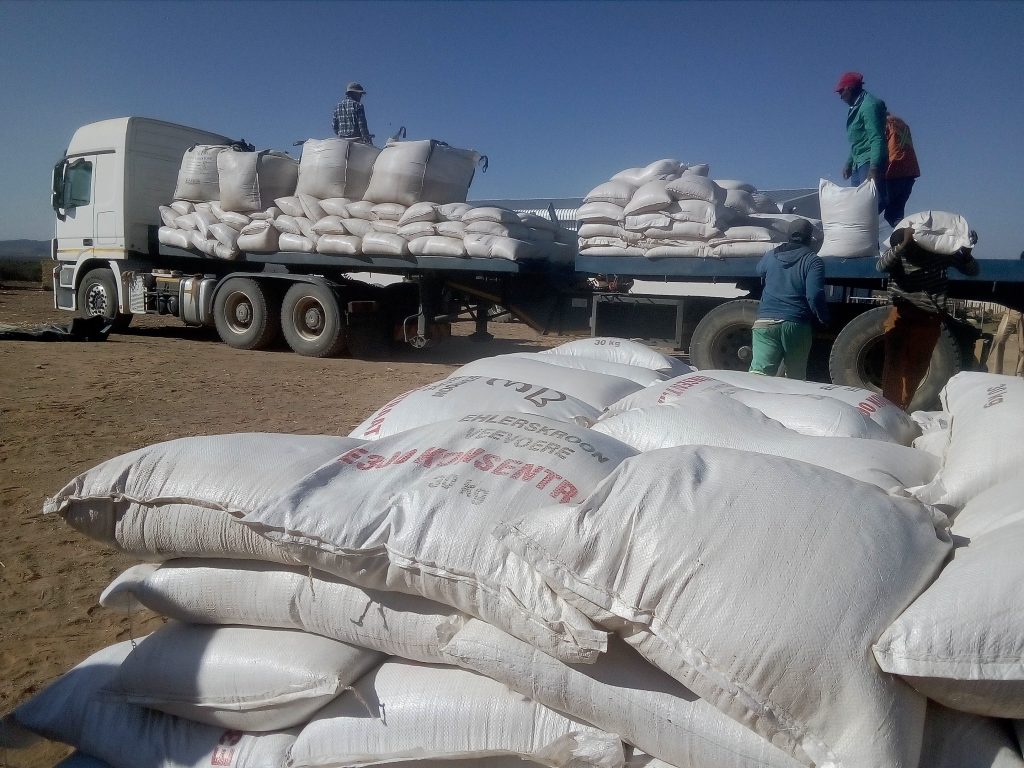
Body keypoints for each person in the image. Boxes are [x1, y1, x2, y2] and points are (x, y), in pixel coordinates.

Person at [876, 226, 980, 410]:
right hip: (901, 312)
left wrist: (966, 253)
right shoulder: (898, 253)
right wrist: (903, 244)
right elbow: (880, 266)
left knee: (918, 364)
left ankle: (901, 407)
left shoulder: (938, 253)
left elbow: (973, 271)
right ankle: (891, 407)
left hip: (929, 316)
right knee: (894, 361)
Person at [749, 218, 830, 380]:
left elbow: (759, 270)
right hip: (796, 324)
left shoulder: (771, 255)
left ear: (788, 235)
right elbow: (814, 295)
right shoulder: (813, 260)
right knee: (795, 378)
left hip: (765, 323)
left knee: (759, 375)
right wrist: (824, 318)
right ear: (810, 238)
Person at [835, 71, 888, 213]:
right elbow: (858, 142)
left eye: (841, 91)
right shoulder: (856, 108)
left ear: (849, 88)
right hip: (858, 163)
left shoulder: (868, 106)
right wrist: (849, 163)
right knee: (858, 204)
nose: (840, 96)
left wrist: (874, 167)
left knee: (870, 203)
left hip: (868, 160)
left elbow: (876, 137)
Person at [884, 112, 921, 227]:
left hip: (894, 170)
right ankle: (909, 234)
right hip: (910, 172)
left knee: (874, 208)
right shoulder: (902, 124)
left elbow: (879, 144)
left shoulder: (886, 124)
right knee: (896, 215)